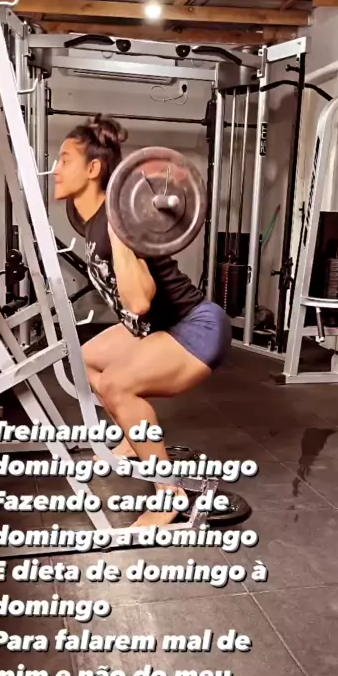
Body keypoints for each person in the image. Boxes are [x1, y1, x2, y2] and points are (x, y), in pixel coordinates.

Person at [54, 114, 232, 527]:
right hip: (158, 326)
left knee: (117, 384)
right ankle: (132, 439)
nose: (56, 168)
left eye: (65, 160)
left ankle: (168, 495)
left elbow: (138, 301)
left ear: (93, 169)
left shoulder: (117, 222)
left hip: (196, 327)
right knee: (84, 361)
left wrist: (121, 232)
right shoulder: (83, 215)